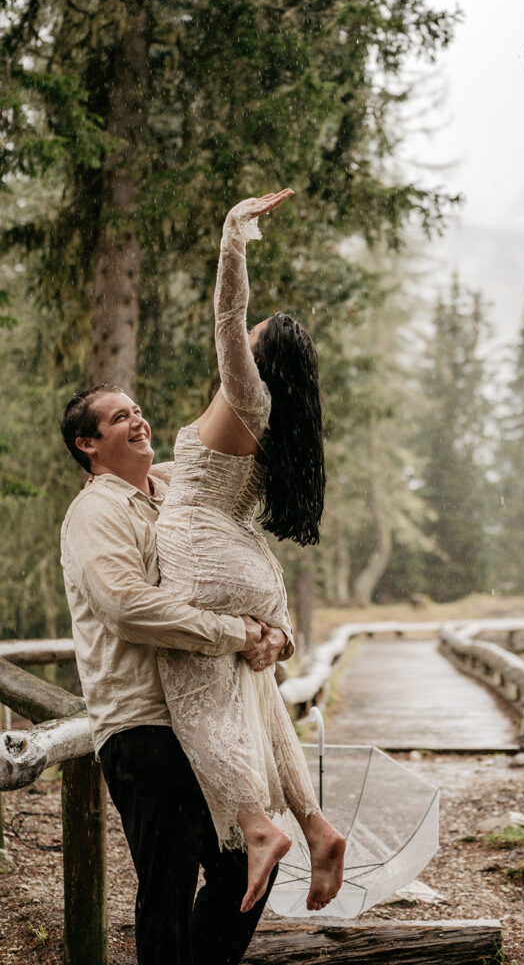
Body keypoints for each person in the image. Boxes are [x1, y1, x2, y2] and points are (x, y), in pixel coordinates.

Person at [154, 188, 345, 915]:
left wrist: (235, 231)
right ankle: (314, 823)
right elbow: (201, 479)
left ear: (262, 356)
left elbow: (225, 315)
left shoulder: (248, 393)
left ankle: (252, 824)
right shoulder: (284, 424)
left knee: (192, 691)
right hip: (243, 559)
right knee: (263, 704)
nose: (248, 334)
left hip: (204, 555)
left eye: (258, 335)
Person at [60, 384, 283, 965]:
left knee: (245, 861)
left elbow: (234, 557)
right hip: (144, 724)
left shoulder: (172, 490)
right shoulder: (95, 512)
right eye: (117, 418)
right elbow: (127, 607)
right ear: (88, 444)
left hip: (206, 715)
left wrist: (277, 631)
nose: (137, 421)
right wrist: (234, 632)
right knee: (169, 882)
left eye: (136, 409)